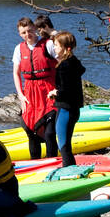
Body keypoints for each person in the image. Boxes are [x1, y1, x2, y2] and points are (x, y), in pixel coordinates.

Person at [13, 16, 58, 160]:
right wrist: (20, 94)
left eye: (29, 31)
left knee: (50, 132)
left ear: (35, 29)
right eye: (23, 33)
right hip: (30, 93)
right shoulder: (19, 49)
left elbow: (63, 63)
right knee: (30, 130)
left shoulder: (48, 45)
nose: (27, 35)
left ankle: (52, 160)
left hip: (48, 90)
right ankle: (35, 163)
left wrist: (59, 88)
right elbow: (16, 72)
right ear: (20, 34)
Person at [48, 31, 85, 168]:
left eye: (57, 45)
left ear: (66, 48)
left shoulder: (64, 66)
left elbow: (65, 90)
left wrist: (54, 92)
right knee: (65, 144)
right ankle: (70, 169)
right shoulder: (74, 62)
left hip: (66, 109)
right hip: (73, 109)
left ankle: (70, 172)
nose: (55, 48)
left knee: (63, 145)